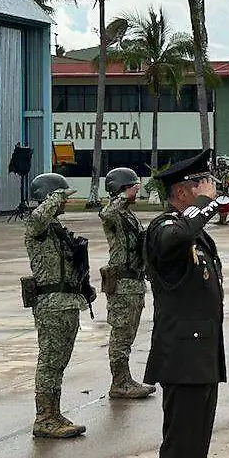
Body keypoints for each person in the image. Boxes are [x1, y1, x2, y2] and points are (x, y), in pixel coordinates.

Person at [144, 149, 229, 458]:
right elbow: (174, 239)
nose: (210, 191)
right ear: (182, 192)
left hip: (200, 358)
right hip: (183, 359)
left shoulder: (194, 233)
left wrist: (204, 206)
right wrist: (205, 203)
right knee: (181, 454)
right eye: (201, 185)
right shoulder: (164, 228)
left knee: (193, 455)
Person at [24, 173, 93, 439]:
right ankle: (44, 417)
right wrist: (56, 195)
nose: (66, 202)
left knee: (59, 362)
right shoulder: (38, 225)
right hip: (51, 305)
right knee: (50, 362)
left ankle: (54, 413)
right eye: (62, 197)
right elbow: (39, 216)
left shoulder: (55, 228)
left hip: (66, 303)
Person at [99, 167, 155, 399]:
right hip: (122, 284)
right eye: (132, 186)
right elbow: (106, 212)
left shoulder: (128, 215)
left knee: (128, 335)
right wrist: (124, 195)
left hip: (134, 282)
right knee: (121, 335)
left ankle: (125, 379)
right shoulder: (114, 213)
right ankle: (119, 382)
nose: (136, 190)